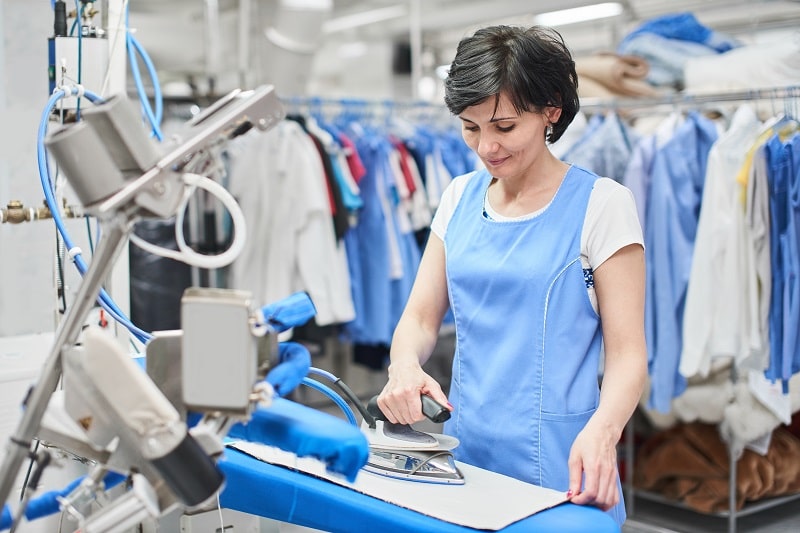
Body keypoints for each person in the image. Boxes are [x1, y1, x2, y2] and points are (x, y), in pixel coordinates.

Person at [376, 25, 647, 526]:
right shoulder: (459, 196)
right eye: (470, 126)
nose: (486, 147)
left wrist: (604, 431)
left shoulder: (602, 205)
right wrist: (403, 366)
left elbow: (629, 353)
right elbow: (418, 316)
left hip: (566, 459)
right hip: (466, 452)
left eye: (503, 127)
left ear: (551, 111)